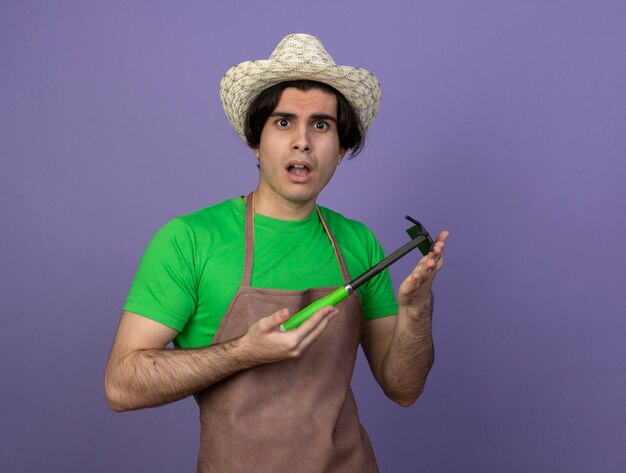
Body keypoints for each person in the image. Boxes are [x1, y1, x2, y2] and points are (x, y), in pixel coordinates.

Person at [105, 33, 449, 472]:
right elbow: (121, 385)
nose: (302, 141)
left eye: (321, 125)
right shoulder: (190, 239)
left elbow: (403, 388)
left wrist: (417, 311)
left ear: (341, 149)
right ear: (257, 141)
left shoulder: (358, 243)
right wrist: (243, 353)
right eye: (283, 122)